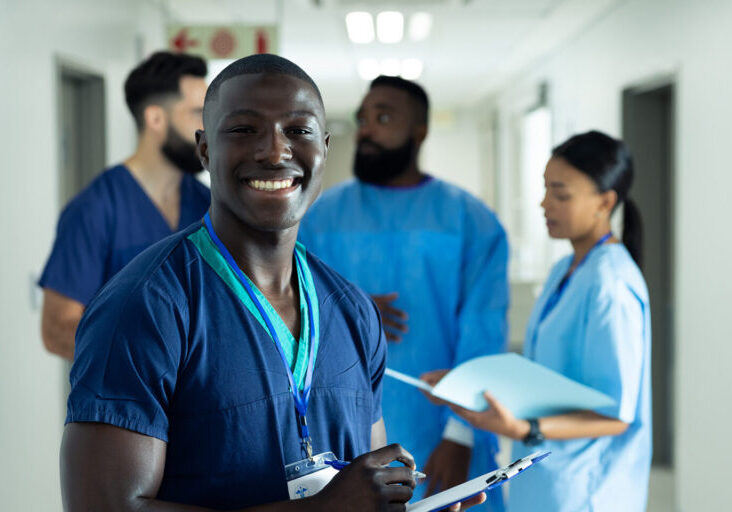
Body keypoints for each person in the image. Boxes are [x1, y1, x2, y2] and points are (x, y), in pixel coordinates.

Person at [60, 54, 484, 512]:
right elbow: (102, 506)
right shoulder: (145, 306)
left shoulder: (353, 313)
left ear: (324, 147)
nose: (275, 151)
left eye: (298, 131)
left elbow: (363, 496)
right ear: (205, 150)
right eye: (245, 130)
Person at [298, 75, 509, 508]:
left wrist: (460, 434)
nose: (367, 129)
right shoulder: (319, 218)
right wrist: (345, 307)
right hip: (341, 440)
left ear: (420, 131)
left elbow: (483, 334)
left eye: (384, 117)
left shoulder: (471, 222)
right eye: (363, 118)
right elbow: (287, 304)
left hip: (442, 437)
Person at [425, 131, 652, 511]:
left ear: (605, 202)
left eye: (561, 195)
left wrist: (523, 429)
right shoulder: (567, 269)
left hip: (587, 490)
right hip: (547, 480)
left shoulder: (610, 284)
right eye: (546, 189)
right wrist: (468, 385)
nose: (544, 203)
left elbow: (616, 417)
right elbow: (549, 377)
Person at [39, 51, 211, 360]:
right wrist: (146, 356)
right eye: (197, 114)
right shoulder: (96, 208)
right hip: (122, 401)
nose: (207, 128)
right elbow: (56, 329)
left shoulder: (208, 205)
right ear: (156, 118)